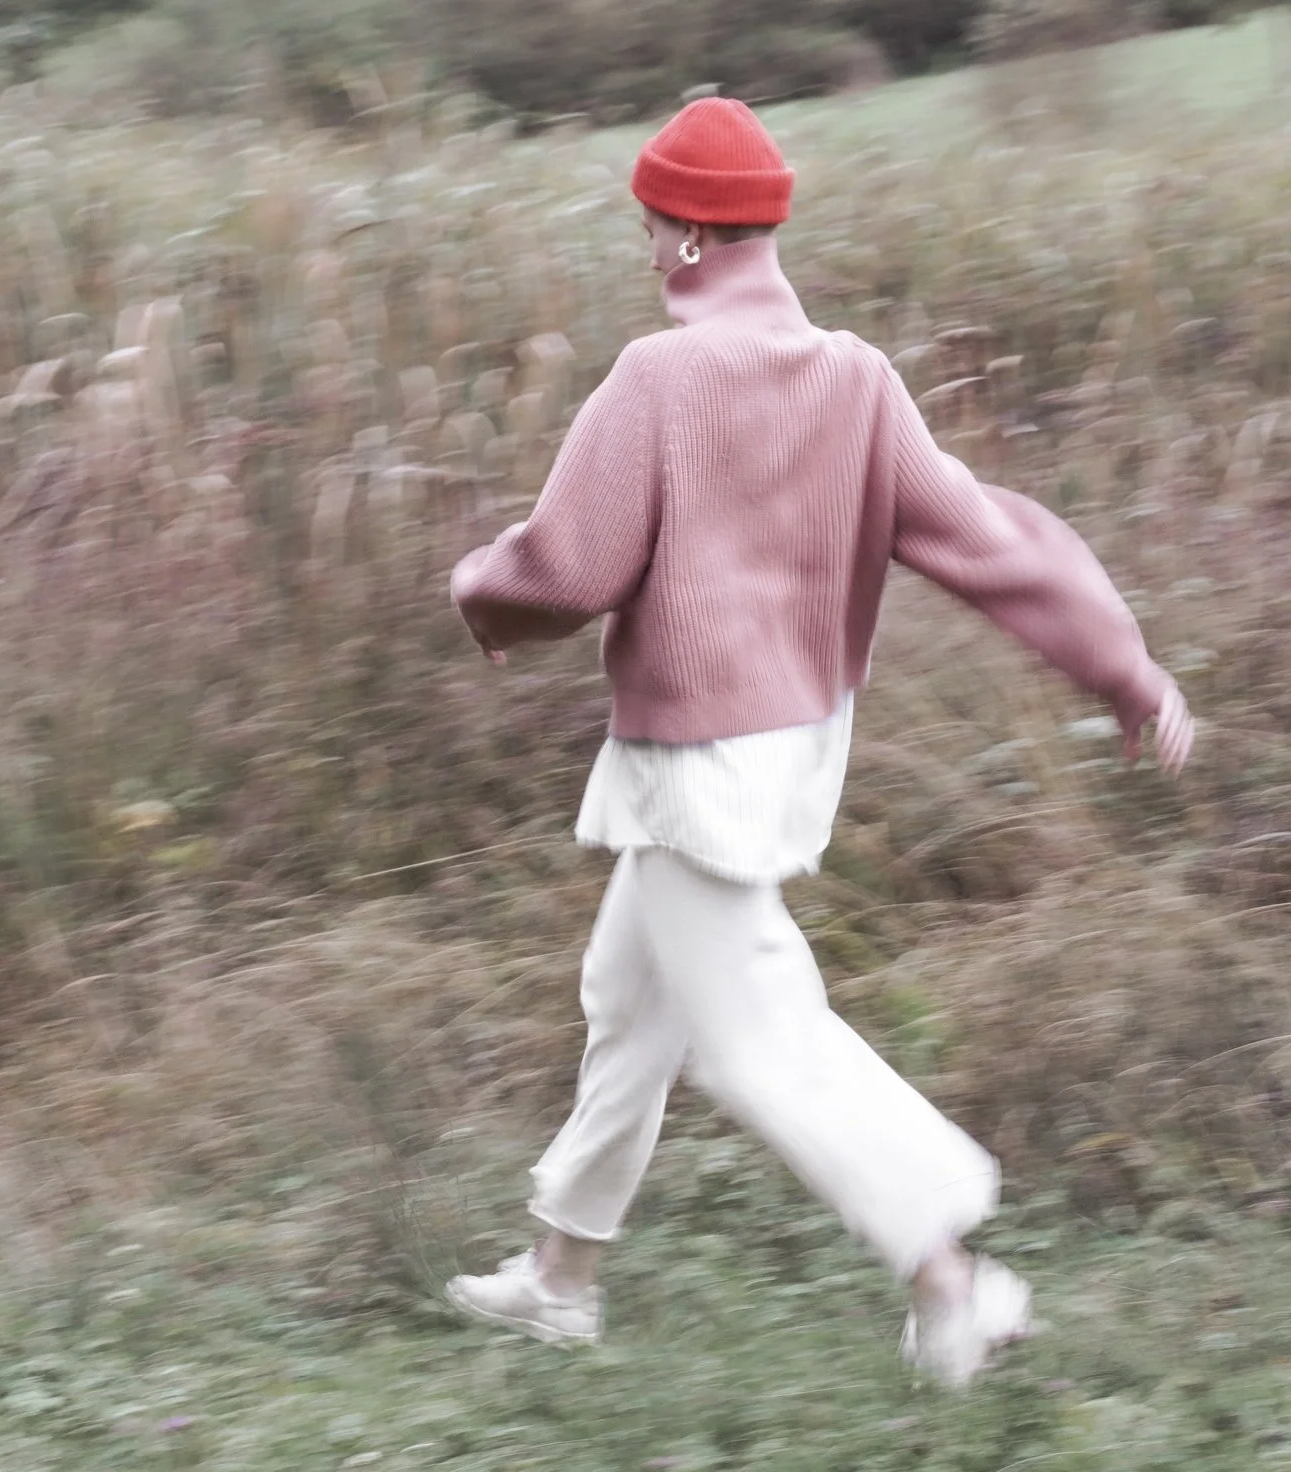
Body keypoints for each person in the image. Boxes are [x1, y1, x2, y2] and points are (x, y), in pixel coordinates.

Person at [443, 97, 1195, 1388]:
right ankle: (560, 1277)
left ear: (684, 233)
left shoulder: (658, 378)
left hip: (695, 761)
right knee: (632, 1001)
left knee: (760, 1037)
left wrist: (480, 594)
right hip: (792, 744)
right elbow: (991, 542)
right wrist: (1123, 672)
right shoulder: (856, 376)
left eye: (649, 226)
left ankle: (954, 1281)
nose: (647, 247)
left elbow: (567, 565)